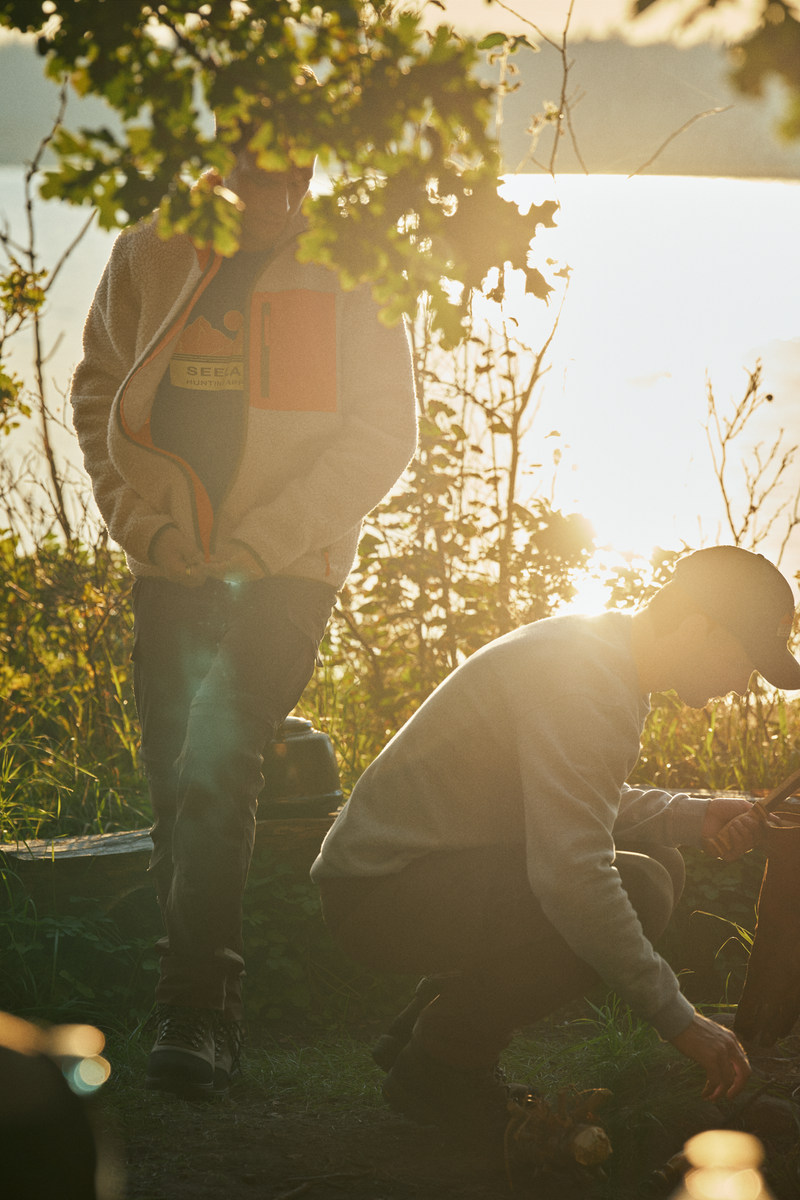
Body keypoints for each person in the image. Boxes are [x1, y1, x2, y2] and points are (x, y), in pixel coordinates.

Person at [70, 144, 417, 1099]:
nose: (290, 194)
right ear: (223, 157)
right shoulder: (149, 251)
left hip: (290, 569)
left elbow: (385, 434)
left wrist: (264, 544)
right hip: (170, 562)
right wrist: (144, 529)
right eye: (268, 173)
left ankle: (198, 1011)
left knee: (220, 754)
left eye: (304, 172)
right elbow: (98, 393)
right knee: (172, 780)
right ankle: (192, 998)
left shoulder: (354, 260)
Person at [311, 546, 800, 1130]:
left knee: (660, 862)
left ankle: (425, 1025)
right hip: (381, 893)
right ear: (699, 627)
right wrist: (680, 1020)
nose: (744, 686)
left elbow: (570, 798)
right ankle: (442, 1067)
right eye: (746, 661)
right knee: (641, 885)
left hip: (414, 873)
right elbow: (572, 873)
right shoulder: (584, 685)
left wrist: (692, 816)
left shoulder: (602, 657)